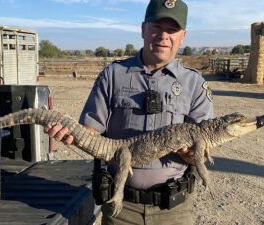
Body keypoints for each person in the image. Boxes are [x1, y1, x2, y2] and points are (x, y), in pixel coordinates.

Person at [44, 0, 214, 224]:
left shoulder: (194, 83)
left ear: (183, 35)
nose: (164, 36)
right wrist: (72, 135)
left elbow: (201, 153)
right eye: (157, 27)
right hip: (121, 210)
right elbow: (91, 131)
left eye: (172, 30)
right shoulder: (113, 75)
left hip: (174, 211)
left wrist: (188, 154)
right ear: (144, 29)